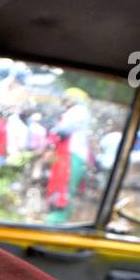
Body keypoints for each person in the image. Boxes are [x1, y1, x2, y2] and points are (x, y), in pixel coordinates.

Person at [45, 87, 92, 223]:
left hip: (71, 155)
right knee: (65, 187)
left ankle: (57, 220)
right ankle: (60, 217)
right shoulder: (79, 112)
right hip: (70, 155)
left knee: (64, 186)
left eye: (66, 99)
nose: (64, 102)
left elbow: (63, 131)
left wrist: (51, 135)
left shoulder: (78, 111)